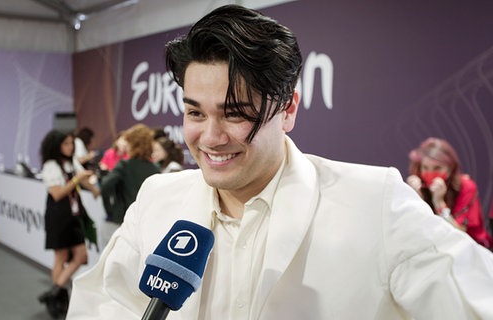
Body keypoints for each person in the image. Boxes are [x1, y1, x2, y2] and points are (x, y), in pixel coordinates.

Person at [67, 5, 493, 319]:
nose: (210, 138)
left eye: (234, 113)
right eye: (195, 112)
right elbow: (103, 302)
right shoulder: (158, 197)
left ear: (288, 108)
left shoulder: (375, 203)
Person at [37, 129, 100, 319]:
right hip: (59, 216)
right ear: (56, 146)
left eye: (71, 143)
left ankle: (54, 292)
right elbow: (57, 194)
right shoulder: (50, 166)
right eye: (66, 144)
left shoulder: (71, 162)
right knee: (61, 256)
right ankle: (58, 298)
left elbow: (83, 179)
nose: (70, 147)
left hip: (74, 215)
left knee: (81, 255)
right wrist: (77, 180)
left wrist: (94, 188)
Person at [406, 137, 492, 248]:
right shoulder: (416, 188)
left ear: (450, 168)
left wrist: (439, 203)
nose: (430, 173)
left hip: (472, 249)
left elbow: (459, 235)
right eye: (425, 168)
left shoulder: (466, 187)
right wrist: (416, 200)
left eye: (437, 168)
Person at [98, 123, 160, 248]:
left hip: (123, 220)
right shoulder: (155, 169)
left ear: (133, 143)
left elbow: (105, 185)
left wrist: (111, 210)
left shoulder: (125, 165)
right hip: (146, 222)